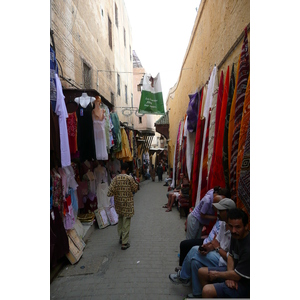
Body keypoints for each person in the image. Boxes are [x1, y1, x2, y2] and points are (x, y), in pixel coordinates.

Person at [169, 198, 236, 298]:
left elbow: (230, 257)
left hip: (223, 261)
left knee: (194, 250)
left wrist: (217, 248)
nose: (218, 213)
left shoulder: (234, 230)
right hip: (217, 254)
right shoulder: (222, 223)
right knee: (195, 262)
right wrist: (208, 248)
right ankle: (197, 294)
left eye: (221, 211)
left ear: (228, 212)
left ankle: (183, 277)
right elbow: (216, 242)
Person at [198, 208, 250, 298]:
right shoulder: (235, 236)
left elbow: (237, 276)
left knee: (207, 290)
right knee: (201, 272)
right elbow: (230, 256)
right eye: (231, 226)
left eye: (238, 227)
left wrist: (217, 274)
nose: (233, 230)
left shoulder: (248, 248)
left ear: (246, 226)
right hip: (234, 273)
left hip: (245, 284)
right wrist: (229, 276)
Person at [107, 162, 139, 250]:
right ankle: (124, 243)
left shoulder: (115, 179)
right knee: (126, 222)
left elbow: (109, 192)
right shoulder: (129, 178)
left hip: (118, 204)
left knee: (120, 220)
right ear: (128, 169)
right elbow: (135, 189)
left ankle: (121, 237)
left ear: (120, 168)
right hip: (128, 204)